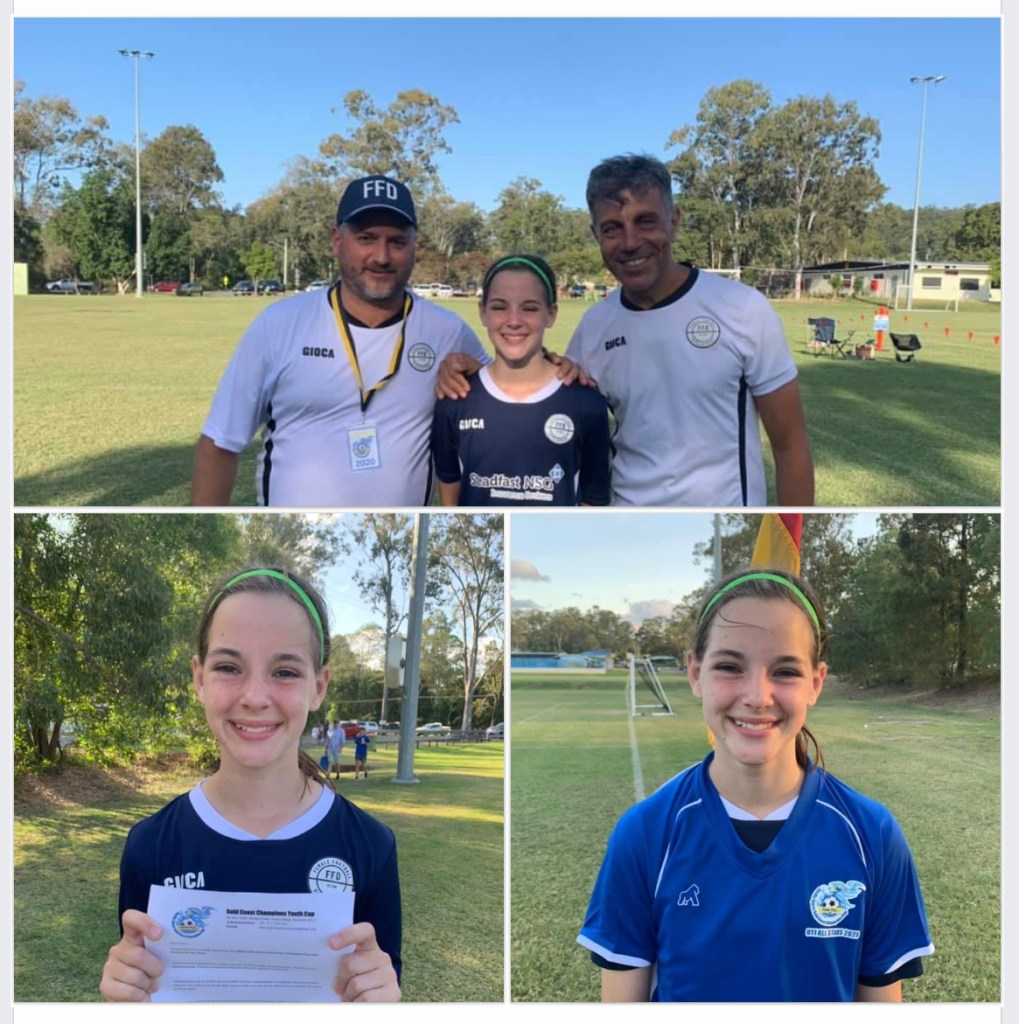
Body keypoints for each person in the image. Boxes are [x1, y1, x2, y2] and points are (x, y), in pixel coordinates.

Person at [578, 569, 933, 1001]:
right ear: (695, 673)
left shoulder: (872, 834)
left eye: (785, 671)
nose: (757, 696)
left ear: (816, 683)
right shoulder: (645, 833)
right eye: (730, 666)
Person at [438, 155, 814, 507]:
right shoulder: (594, 326)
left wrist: (792, 546)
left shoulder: (742, 308)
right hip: (628, 524)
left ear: (675, 220)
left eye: (646, 221)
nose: (631, 242)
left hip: (722, 526)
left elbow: (790, 444)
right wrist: (466, 368)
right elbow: (542, 381)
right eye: (613, 228)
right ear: (595, 234)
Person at [98, 567, 401, 1002]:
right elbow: (143, 991)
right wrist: (124, 997)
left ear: (319, 686)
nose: (255, 697)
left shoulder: (370, 846)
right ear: (200, 679)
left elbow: (385, 982)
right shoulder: (150, 846)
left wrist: (384, 1001)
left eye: (284, 672)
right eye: (228, 667)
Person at [191, 175, 489, 507]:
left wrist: (488, 370)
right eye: (366, 238)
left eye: (397, 242)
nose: (381, 256)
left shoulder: (447, 331)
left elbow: (508, 398)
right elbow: (220, 443)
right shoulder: (279, 324)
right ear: (337, 240)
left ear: (415, 246)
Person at [431, 254, 610, 506]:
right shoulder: (455, 399)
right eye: (499, 307)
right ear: (483, 313)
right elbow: (451, 500)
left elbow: (593, 502)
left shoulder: (587, 404)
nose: (513, 321)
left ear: (551, 314)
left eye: (529, 308)